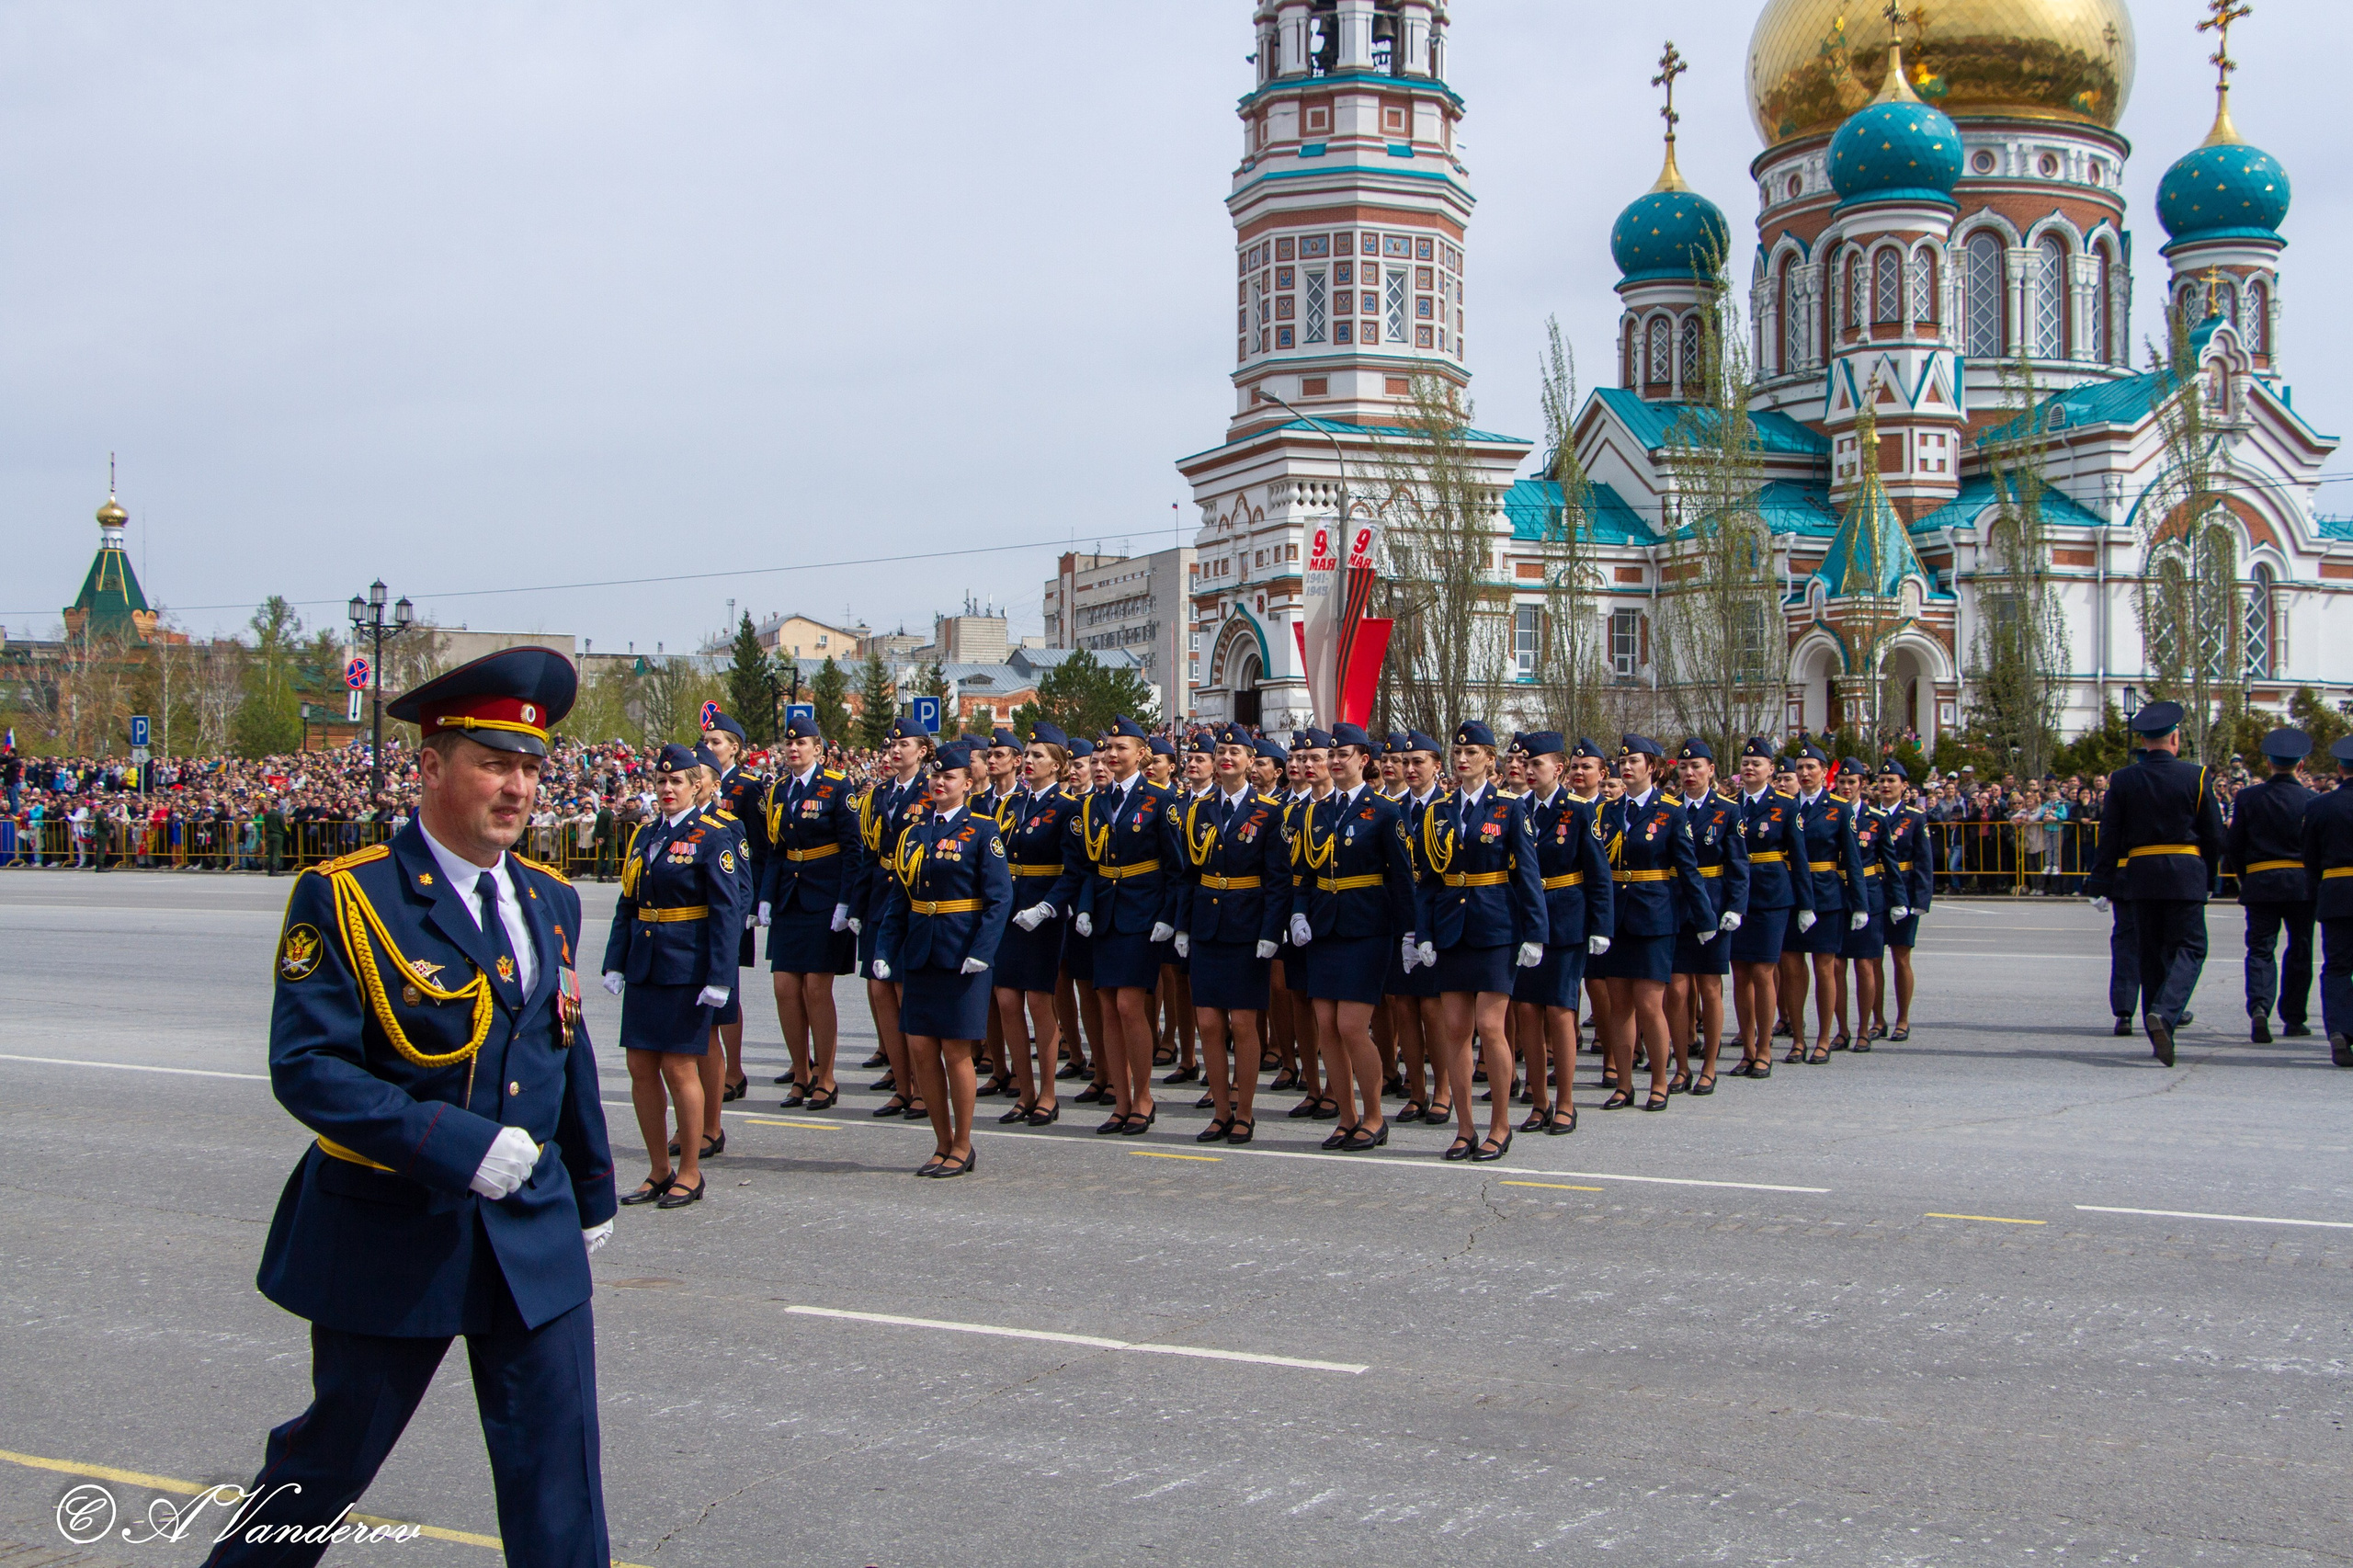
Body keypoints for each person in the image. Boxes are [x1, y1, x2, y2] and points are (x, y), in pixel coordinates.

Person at [210, 646, 616, 1568]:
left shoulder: (549, 896)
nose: (517, 789)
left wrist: (590, 1189)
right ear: (430, 766)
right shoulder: (350, 894)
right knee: (328, 1462)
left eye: (530, 767)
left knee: (560, 1479)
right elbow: (309, 1066)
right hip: (398, 1225)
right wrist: (458, 1146)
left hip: (530, 1225)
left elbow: (562, 1040)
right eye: (494, 764)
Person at [603, 742, 745, 1209]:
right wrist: (614, 961)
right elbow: (629, 902)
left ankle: (689, 1171)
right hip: (646, 963)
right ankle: (658, 1170)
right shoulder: (645, 836)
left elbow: (726, 910)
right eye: (661, 782)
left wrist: (720, 975)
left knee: (679, 1067)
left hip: (687, 966)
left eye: (676, 782)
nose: (667, 789)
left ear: (695, 786)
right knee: (640, 1066)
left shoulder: (712, 835)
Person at [873, 739, 1013, 1177]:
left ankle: (963, 1144)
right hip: (920, 950)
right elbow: (900, 898)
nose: (938, 783)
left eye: (948, 777)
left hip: (961, 951)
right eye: (935, 776)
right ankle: (940, 1141)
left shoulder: (982, 830)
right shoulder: (914, 832)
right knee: (920, 1048)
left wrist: (982, 953)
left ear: (968, 784)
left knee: (955, 1052)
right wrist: (883, 950)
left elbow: (999, 898)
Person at [1414, 721, 1545, 1160]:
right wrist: (1424, 933)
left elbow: (1528, 874)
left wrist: (1535, 933)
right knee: (1454, 1029)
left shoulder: (1509, 807)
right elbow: (1429, 880)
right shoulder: (1439, 810)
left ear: (1491, 759)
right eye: (1457, 752)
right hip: (1452, 925)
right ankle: (1465, 1127)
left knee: (1490, 1027)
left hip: (1495, 926)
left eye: (1472, 753)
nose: (1462, 758)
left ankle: (1500, 1125)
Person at [1290, 723, 1417, 1151]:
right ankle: (1346, 1116)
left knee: (1351, 1026)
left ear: (1365, 760)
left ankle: (1375, 1116)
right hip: (1325, 928)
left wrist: (1409, 933)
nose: (1336, 760)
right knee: (1327, 1025)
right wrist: (1298, 914)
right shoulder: (1315, 811)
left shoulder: (1383, 811)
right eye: (1333, 754)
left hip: (1366, 928)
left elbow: (1401, 879)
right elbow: (1305, 874)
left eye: (1344, 754)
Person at [2085, 701, 2226, 1066]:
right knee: (2191, 948)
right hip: (2185, 872)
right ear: (2175, 738)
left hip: (2141, 874)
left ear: (2144, 741)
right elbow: (2212, 834)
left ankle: (2156, 1031)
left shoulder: (2124, 778)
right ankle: (2166, 1012)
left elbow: (2110, 833)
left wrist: (2101, 880)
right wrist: (2211, 876)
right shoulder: (2196, 776)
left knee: (2149, 954)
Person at [1176, 722, 1290, 1143]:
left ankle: (1245, 1111)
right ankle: (1220, 1110)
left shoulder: (1268, 812)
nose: (1227, 758)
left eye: (1236, 753)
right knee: (1208, 1022)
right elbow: (1188, 875)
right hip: (1207, 924)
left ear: (1250, 763)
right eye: (1221, 750)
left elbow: (1278, 878)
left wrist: (1270, 930)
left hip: (1246, 926)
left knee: (1243, 1023)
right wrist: (1183, 925)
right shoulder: (1199, 810)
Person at [1071, 714, 1185, 1135]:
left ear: (1142, 755)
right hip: (1105, 911)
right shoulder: (1094, 802)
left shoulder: (1159, 800)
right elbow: (1087, 865)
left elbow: (1177, 867)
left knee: (1128, 1006)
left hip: (1142, 913)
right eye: (1108, 749)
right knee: (1106, 1007)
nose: (1112, 756)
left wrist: (1168, 917)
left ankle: (1143, 1096)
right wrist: (1084, 907)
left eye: (1122, 749)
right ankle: (1120, 1100)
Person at [1590, 735, 1711, 1111]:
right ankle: (1624, 1084)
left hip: (1654, 914)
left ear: (1653, 768)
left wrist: (1704, 917)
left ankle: (1660, 1079)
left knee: (1650, 1004)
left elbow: (1687, 869)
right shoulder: (1606, 812)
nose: (1625, 768)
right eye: (1622, 762)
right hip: (1616, 916)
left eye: (1634, 762)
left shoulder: (1671, 811)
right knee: (1618, 1005)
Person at [1510, 733, 1612, 1133]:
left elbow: (1598, 875)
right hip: (1524, 921)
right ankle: (1539, 1102)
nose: (1530, 771)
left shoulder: (1580, 812)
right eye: (1525, 764)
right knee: (1528, 1013)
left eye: (1538, 764)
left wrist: (1601, 925)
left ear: (1559, 768)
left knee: (1560, 1009)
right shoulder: (1515, 810)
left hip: (1567, 917)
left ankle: (1566, 1102)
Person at [757, 713, 858, 1108]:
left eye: (802, 743)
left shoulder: (837, 786)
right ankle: (800, 1071)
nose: (794, 749)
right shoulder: (781, 790)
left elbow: (853, 849)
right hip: (789, 897)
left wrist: (845, 902)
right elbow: (774, 849)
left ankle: (827, 1075)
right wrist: (765, 897)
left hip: (824, 896)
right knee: (785, 987)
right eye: (789, 743)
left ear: (819, 748)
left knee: (816, 989)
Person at [995, 722, 1084, 1125]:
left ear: (1058, 764)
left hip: (1042, 915)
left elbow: (1074, 869)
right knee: (1007, 1000)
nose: (1028, 762)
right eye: (1026, 755)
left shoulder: (1068, 807)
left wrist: (1048, 908)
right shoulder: (1012, 804)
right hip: (1009, 912)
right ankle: (1024, 1090)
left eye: (1037, 756)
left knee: (1037, 1001)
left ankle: (1048, 1093)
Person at [851, 719, 935, 1119]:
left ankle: (922, 1087)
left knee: (906, 994)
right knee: (880, 992)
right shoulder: (880, 793)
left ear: (922, 751)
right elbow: (868, 855)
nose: (895, 751)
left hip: (912, 898)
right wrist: (854, 907)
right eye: (891, 745)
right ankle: (901, 1085)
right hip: (880, 901)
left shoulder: (931, 790)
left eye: (904, 744)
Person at [2226, 728, 2316, 1043]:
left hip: (2261, 881)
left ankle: (2260, 1008)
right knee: (2300, 949)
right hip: (2301, 885)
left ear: (2268, 764)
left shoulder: (2248, 797)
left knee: (2261, 949)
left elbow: (2234, 844)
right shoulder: (2312, 800)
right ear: (2301, 765)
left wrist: (2245, 878)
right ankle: (2293, 1018)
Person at [1668, 740, 1747, 1093]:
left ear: (1711, 770)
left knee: (1711, 988)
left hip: (1713, 904)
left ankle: (1710, 1066)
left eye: (1697, 767)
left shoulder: (1727, 810)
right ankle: (1682, 1064)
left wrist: (1735, 906)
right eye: (1684, 768)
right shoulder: (1669, 808)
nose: (1689, 773)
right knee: (1677, 989)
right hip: (1676, 904)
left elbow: (1738, 864)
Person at [1782, 743, 1868, 1065]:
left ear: (1823, 771)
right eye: (1800, 768)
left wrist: (1859, 903)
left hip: (1826, 894)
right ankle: (1799, 1039)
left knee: (1825, 968)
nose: (1804, 774)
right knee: (1791, 968)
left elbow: (1852, 859)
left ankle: (1824, 1038)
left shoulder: (1839, 807)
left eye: (1811, 768)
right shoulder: (1787, 805)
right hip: (1791, 893)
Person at [1730, 738, 1809, 1075]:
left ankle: (1764, 1048)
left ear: (1771, 770)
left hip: (1771, 895)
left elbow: (1800, 858)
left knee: (1763, 971)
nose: (1750, 768)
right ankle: (1747, 1048)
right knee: (1740, 974)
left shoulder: (1787, 806)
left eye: (1757, 764)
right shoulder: (1730, 805)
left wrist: (1806, 904)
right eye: (1746, 763)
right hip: (1735, 896)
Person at [700, 710, 767, 1103]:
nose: (708, 748)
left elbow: (755, 849)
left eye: (716, 742)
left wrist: (752, 901)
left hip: (733, 898)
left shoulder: (746, 788)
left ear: (735, 748)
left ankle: (734, 1069)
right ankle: (715, 1066)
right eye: (706, 742)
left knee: (728, 987)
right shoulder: (695, 782)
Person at [1384, 731, 1449, 1122]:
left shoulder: (1448, 806)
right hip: (1399, 918)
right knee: (1403, 1007)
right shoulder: (1392, 808)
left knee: (1433, 1008)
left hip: (1437, 921)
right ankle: (1417, 1089)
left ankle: (1443, 1088)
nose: (1409, 769)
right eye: (1405, 762)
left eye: (1418, 762)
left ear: (1436, 766)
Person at [1832, 757, 1892, 1051]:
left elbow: (1889, 863)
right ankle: (1841, 1030)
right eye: (1841, 782)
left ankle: (1865, 1028)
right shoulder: (1830, 814)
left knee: (1865, 965)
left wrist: (1900, 901)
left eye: (1851, 782)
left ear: (1862, 785)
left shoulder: (1876, 819)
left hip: (1868, 894)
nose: (1845, 787)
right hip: (1836, 894)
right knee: (1836, 966)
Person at [2301, 736, 2353, 1068]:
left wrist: (2318, 889)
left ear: (2339, 767)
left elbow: (2310, 857)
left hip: (2336, 889)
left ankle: (2339, 1029)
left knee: (2336, 965)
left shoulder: (2319, 805)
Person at [1876, 760, 1932, 1041]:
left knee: (1901, 957)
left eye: (1892, 781)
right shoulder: (1869, 815)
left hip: (1903, 893)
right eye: (1882, 780)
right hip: (1875, 891)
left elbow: (1923, 862)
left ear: (1904, 786)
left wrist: (1920, 900)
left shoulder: (1915, 818)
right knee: (1871, 959)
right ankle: (1877, 1019)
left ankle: (1903, 1018)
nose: (1886, 786)